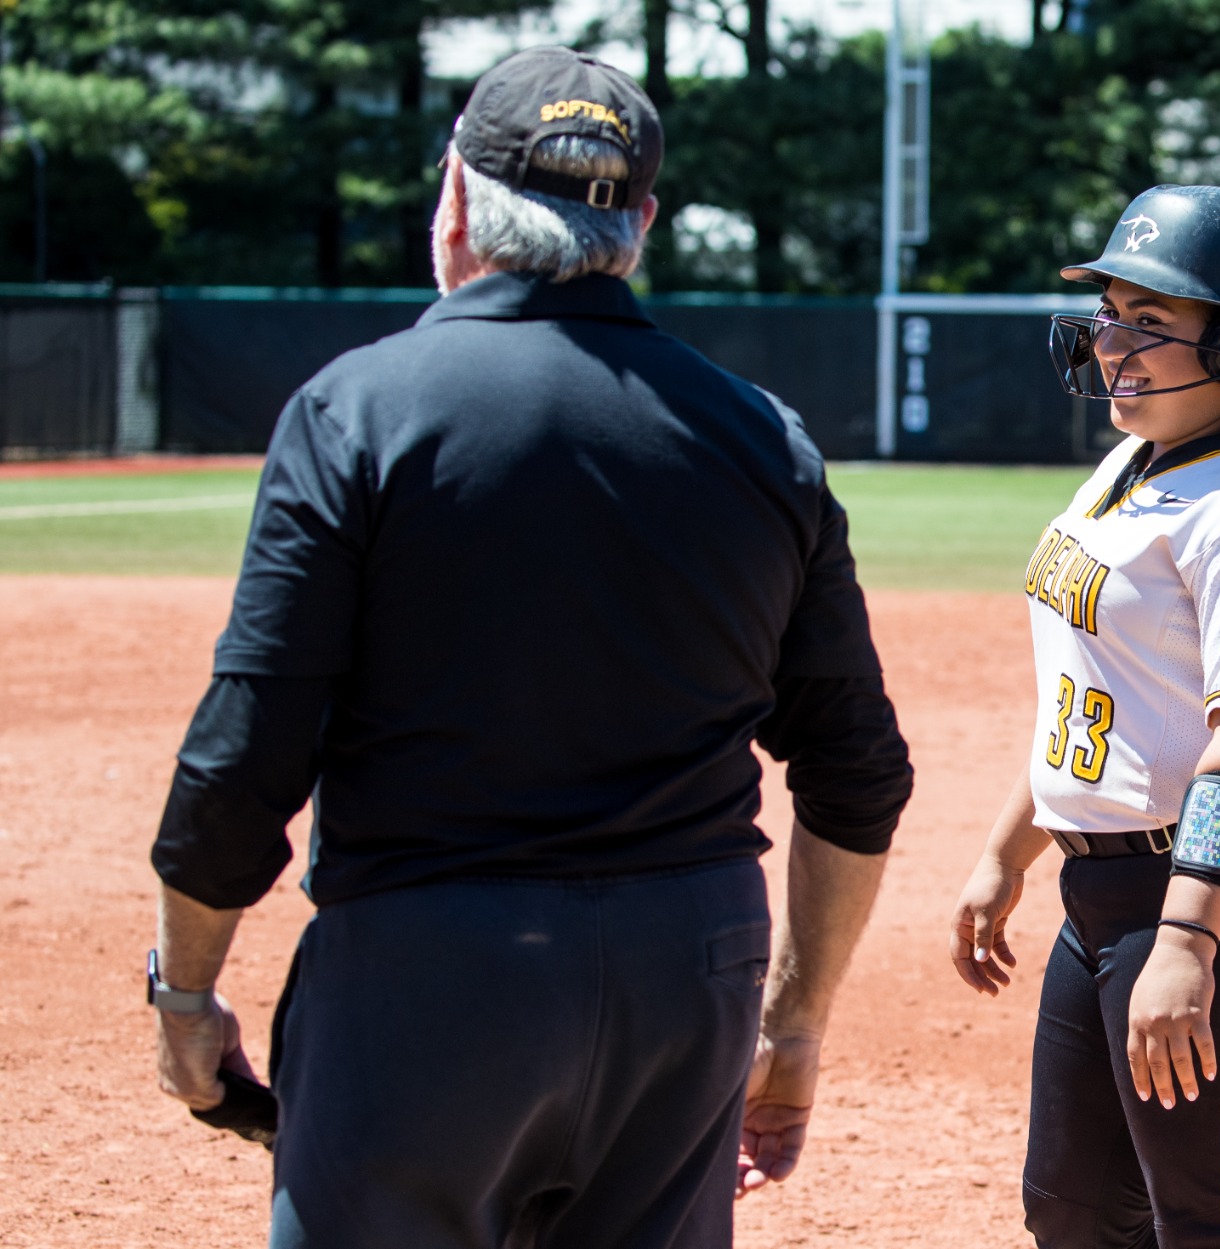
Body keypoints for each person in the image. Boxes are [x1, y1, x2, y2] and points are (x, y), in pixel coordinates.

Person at [146, 46, 912, 1248]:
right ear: (641, 221)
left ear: (454, 198)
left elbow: (244, 753)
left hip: (430, 976)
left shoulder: (358, 409)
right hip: (687, 976)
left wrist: (186, 992)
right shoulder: (767, 438)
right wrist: (792, 1020)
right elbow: (857, 766)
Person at [948, 184, 1220, 1249]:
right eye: (1109, 315)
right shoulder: (1136, 459)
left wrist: (1188, 940)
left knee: (1211, 1223)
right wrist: (1009, 853)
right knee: (1075, 1210)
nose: (1113, 348)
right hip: (1108, 883)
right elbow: (1094, 691)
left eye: (1152, 321)